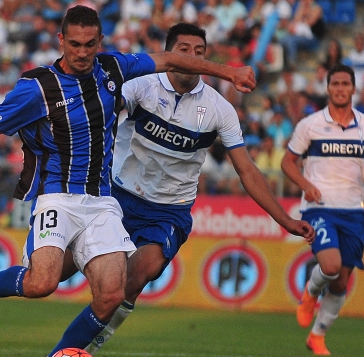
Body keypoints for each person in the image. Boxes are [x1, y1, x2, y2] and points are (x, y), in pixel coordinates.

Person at [0, 6, 257, 356]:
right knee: (41, 283)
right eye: (74, 44)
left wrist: (228, 72)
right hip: (57, 197)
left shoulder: (114, 68)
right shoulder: (37, 88)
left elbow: (171, 61)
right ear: (61, 41)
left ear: (100, 41)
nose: (82, 52)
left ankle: (62, 354)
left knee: (113, 295)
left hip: (102, 200)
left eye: (89, 44)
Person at [83, 22, 316, 355]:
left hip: (169, 209)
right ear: (168, 54)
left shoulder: (220, 109)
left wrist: (285, 219)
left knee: (136, 278)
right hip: (118, 196)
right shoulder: (141, 87)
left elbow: (247, 171)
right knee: (53, 275)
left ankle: (83, 347)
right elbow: (98, 114)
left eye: (200, 52)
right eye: (184, 50)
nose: (193, 58)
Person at [280, 64, 364, 355]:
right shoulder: (310, 124)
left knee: (341, 282)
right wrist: (305, 184)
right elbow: (287, 162)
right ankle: (310, 293)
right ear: (328, 88)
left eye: (345, 84)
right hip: (319, 208)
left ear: (353, 89)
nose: (340, 89)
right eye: (335, 84)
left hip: (354, 211)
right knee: (330, 266)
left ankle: (317, 336)